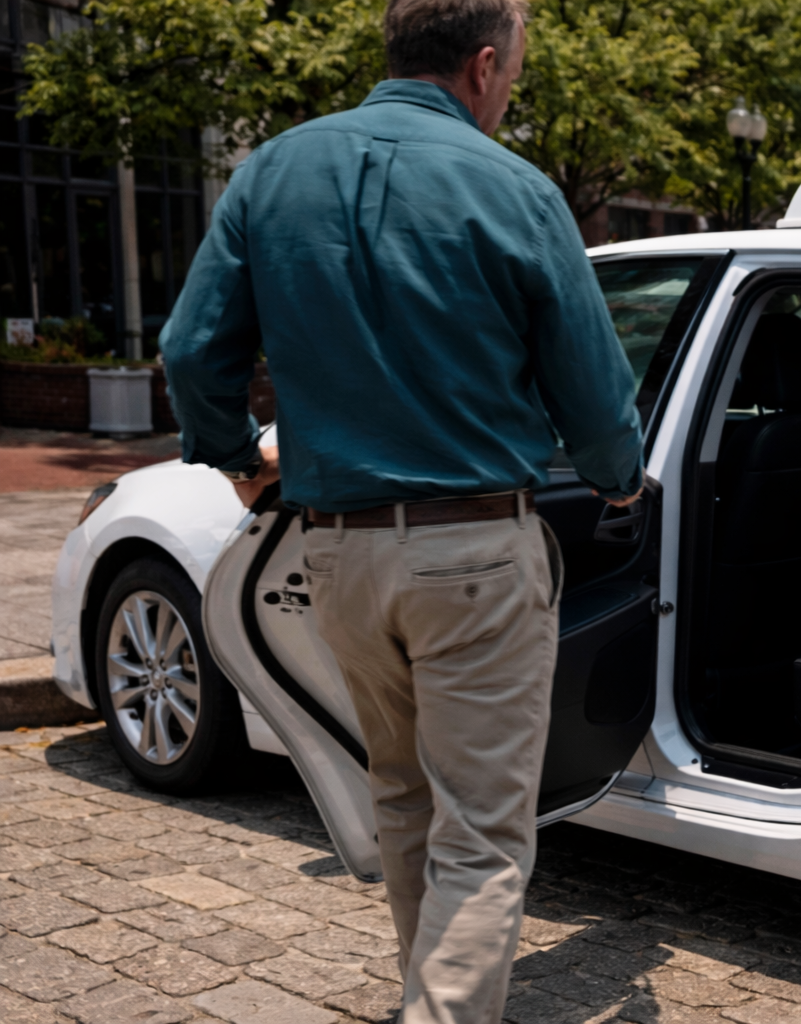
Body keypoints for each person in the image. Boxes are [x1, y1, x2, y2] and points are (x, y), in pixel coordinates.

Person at [160, 0, 644, 1019]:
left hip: (338, 560)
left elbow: (190, 352)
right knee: (483, 833)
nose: (507, 94)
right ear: (481, 64)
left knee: (405, 801)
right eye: (511, 74)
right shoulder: (515, 189)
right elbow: (597, 402)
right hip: (475, 554)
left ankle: (430, 994)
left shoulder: (274, 172)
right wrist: (619, 478)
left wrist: (242, 465)